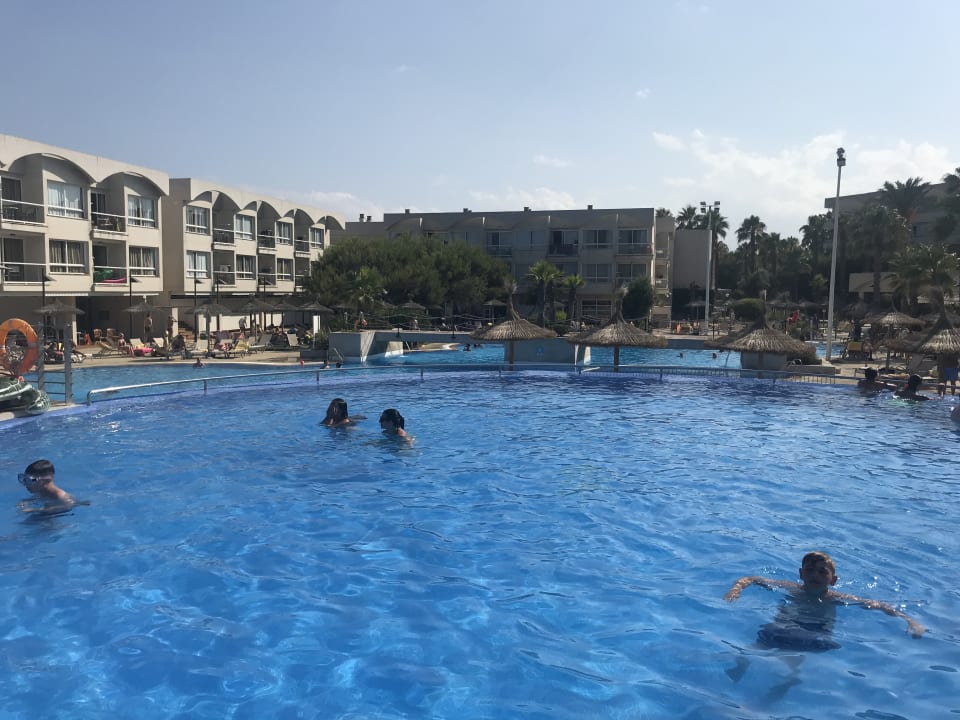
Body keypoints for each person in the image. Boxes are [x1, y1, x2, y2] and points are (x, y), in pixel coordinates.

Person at [724, 551, 926, 643]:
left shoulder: (836, 598)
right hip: (783, 627)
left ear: (833, 580)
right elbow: (750, 578)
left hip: (815, 632)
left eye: (822, 572)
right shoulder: (791, 588)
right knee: (751, 650)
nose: (815, 575)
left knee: (790, 669)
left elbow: (879, 605)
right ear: (801, 574)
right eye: (810, 570)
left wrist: (911, 621)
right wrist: (736, 590)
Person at [17, 459, 88, 516]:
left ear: (45, 480)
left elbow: (68, 506)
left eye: (29, 480)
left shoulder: (60, 496)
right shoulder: (41, 491)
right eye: (24, 480)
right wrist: (27, 501)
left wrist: (35, 510)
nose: (25, 484)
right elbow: (38, 498)